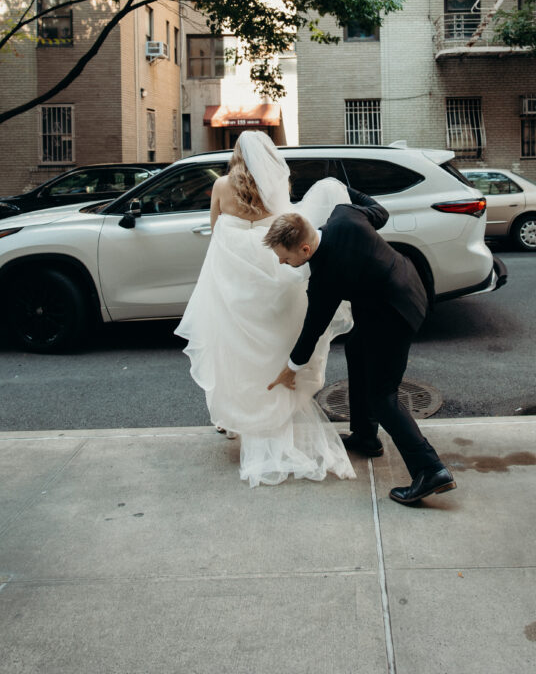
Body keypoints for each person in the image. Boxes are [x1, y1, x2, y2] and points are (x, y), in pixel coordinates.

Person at [174, 130, 355, 488]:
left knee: (237, 354)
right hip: (273, 288)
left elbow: (216, 234)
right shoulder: (277, 186)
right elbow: (286, 233)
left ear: (237, 154)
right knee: (273, 348)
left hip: (235, 290)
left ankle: (239, 419)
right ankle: (276, 414)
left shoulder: (222, 187)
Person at [265, 190, 456, 505]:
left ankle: (430, 470)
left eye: (285, 257)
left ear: (305, 247)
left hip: (396, 315)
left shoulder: (325, 277)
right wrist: (348, 191)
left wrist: (291, 369)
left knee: (383, 396)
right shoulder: (345, 215)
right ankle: (366, 436)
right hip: (401, 287)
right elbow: (377, 210)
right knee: (356, 349)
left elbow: (311, 330)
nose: (283, 263)